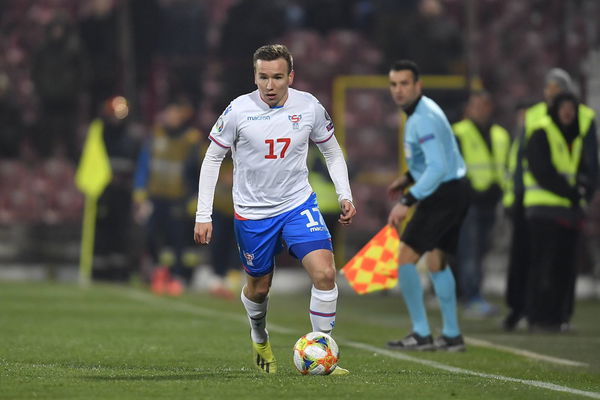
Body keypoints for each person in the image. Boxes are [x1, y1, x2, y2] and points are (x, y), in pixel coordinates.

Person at [194, 44, 356, 374]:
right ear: (254, 76)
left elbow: (332, 152)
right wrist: (203, 214)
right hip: (253, 213)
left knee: (325, 274)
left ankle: (322, 352)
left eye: (278, 77)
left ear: (290, 77)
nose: (270, 85)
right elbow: (212, 159)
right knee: (259, 289)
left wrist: (345, 195)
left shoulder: (309, 107)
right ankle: (259, 336)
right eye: (263, 77)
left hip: (297, 204)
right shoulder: (238, 110)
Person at [386, 60, 468, 352]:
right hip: (454, 190)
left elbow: (437, 167)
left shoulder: (423, 118)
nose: (398, 90)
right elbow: (436, 159)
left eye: (404, 83)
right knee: (436, 262)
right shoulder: (424, 111)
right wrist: (409, 177)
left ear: (418, 85)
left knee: (405, 258)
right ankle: (452, 335)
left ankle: (421, 332)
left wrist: (407, 200)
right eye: (394, 84)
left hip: (442, 194)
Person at [502, 68, 578, 330]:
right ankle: (522, 310)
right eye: (549, 88)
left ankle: (549, 313)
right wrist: (515, 195)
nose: (552, 93)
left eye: (557, 89)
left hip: (552, 200)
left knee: (548, 260)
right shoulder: (536, 117)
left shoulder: (574, 118)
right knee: (526, 258)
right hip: (531, 197)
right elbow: (522, 159)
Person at [523, 91, 597, 332]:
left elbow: (583, 169)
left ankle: (558, 317)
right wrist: (572, 192)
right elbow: (541, 171)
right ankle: (538, 316)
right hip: (543, 210)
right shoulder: (541, 132)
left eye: (571, 108)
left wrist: (583, 188)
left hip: (568, 212)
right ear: (555, 110)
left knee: (564, 267)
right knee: (543, 265)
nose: (567, 112)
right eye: (564, 107)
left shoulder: (576, 136)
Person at [134, 95, 203, 295]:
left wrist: (197, 196)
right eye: (169, 113)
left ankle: (178, 276)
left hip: (179, 197)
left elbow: (201, 169)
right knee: (153, 236)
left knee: (178, 239)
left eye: (175, 113)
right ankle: (158, 273)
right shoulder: (155, 135)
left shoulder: (192, 140)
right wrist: (140, 190)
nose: (172, 117)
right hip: (155, 196)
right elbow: (144, 164)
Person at [453, 92, 510, 318]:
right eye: (476, 105)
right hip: (468, 202)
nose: (481, 109)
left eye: (484, 105)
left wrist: (500, 190)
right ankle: (472, 297)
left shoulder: (500, 135)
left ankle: (468, 294)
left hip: (492, 201)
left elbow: (505, 166)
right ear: (468, 108)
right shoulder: (459, 132)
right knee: (470, 251)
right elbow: (455, 166)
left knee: (480, 251)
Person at [87, 96, 142, 281]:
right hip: (103, 191)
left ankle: (120, 273)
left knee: (122, 232)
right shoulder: (99, 135)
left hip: (124, 192)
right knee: (101, 231)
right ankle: (99, 272)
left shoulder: (133, 137)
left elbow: (137, 164)